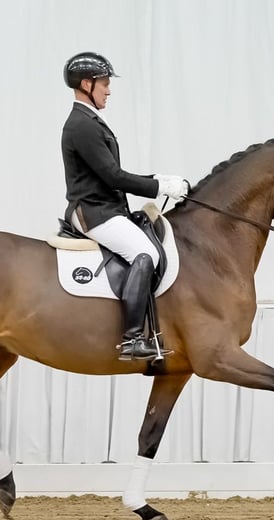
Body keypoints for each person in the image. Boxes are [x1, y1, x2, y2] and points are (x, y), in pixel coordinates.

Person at [61, 51, 188, 361]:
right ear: (87, 84)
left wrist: (155, 177)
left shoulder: (91, 121)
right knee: (143, 253)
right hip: (93, 212)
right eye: (104, 83)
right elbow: (112, 176)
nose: (108, 89)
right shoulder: (82, 125)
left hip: (104, 207)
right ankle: (131, 339)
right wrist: (159, 187)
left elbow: (109, 175)